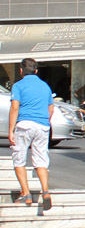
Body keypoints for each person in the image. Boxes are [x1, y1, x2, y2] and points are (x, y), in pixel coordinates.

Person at [9, 58, 54, 209]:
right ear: (36, 70)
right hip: (42, 126)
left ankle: (26, 194)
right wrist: (44, 121)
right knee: (41, 160)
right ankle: (46, 192)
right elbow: (51, 109)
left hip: (25, 125)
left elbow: (15, 108)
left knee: (19, 159)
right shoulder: (45, 86)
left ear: (21, 71)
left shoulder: (18, 85)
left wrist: (11, 131)